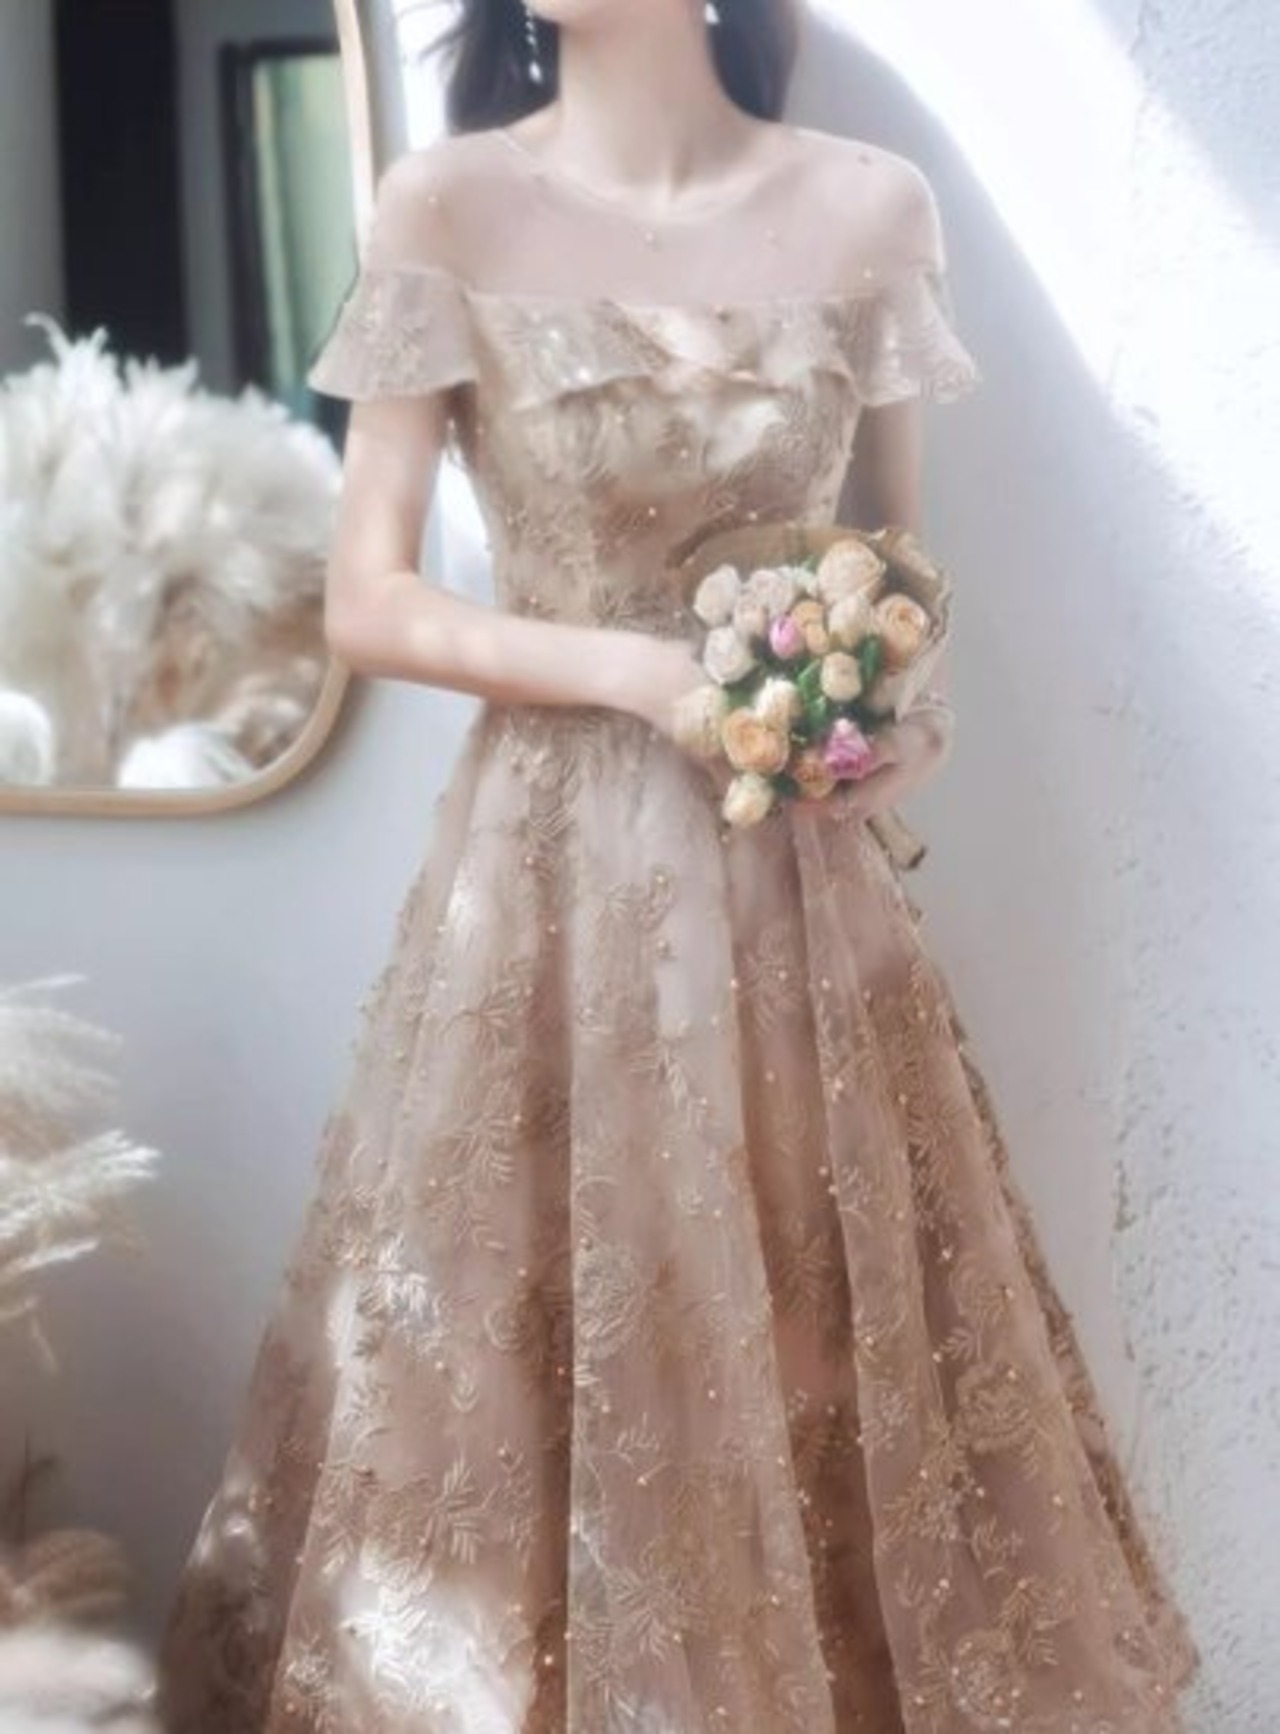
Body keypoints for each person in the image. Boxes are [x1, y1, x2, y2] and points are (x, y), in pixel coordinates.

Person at [157, 2, 1201, 1728]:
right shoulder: (448, 205)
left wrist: (905, 722)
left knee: (803, 1349)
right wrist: (640, 676)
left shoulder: (868, 208)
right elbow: (370, 599)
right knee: (519, 1357)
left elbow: (895, 579)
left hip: (794, 898)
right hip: (545, 891)